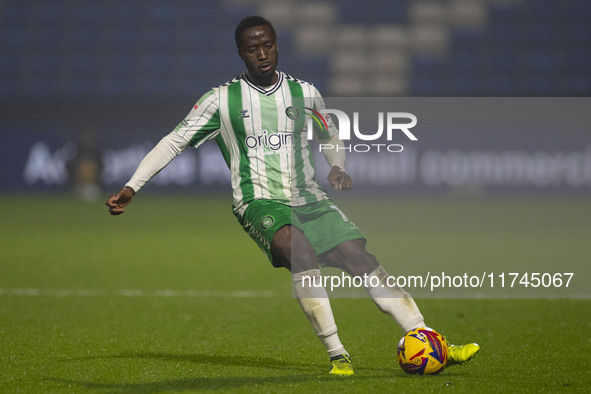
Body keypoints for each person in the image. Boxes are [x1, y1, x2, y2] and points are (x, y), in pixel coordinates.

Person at [106, 15, 479, 375]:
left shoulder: (304, 92)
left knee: (359, 257)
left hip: (309, 198)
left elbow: (329, 133)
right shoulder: (220, 100)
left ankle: (431, 340)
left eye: (268, 45)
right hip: (259, 201)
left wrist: (338, 165)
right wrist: (132, 185)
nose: (263, 54)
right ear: (241, 53)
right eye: (253, 49)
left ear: (277, 46)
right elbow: (175, 141)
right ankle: (338, 355)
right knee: (299, 251)